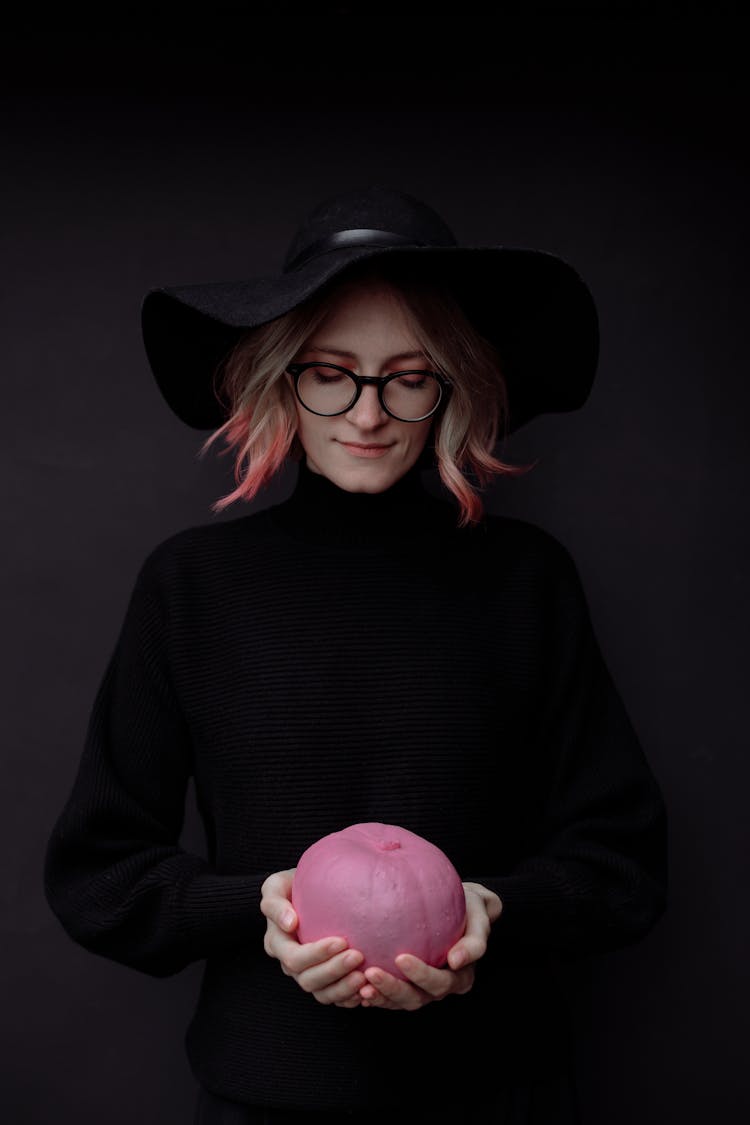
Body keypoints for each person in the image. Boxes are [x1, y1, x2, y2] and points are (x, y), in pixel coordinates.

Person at [43, 186, 668, 1124]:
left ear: (455, 386)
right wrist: (262, 909)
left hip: (500, 1093)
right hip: (266, 1096)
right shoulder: (194, 585)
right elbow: (100, 873)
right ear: (278, 376)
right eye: (330, 371)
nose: (367, 413)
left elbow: (621, 862)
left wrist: (488, 910)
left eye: (409, 376)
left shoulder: (526, 579)